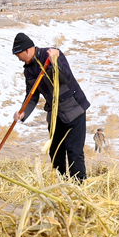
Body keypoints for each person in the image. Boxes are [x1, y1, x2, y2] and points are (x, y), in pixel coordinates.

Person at [11, 32, 90, 181]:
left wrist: (55, 61)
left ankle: (79, 185)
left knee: (74, 151)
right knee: (55, 150)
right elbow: (32, 96)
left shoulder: (52, 54)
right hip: (55, 114)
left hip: (74, 109)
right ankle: (59, 182)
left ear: (27, 50)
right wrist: (23, 113)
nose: (18, 58)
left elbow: (65, 78)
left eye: (18, 55)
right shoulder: (28, 71)